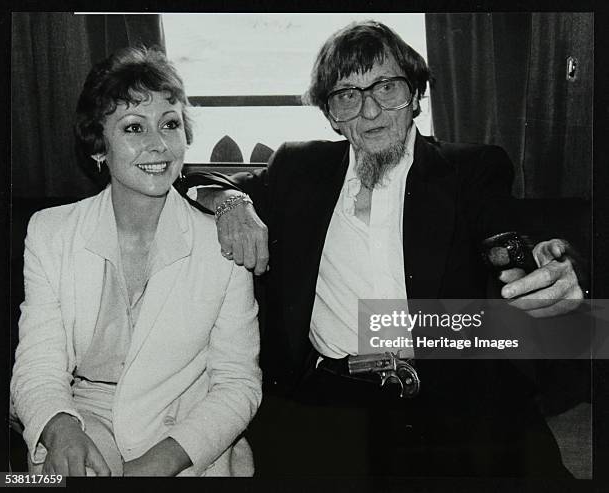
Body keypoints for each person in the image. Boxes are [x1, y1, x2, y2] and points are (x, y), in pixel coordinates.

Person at [189, 21, 583, 477]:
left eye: (387, 87)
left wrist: (556, 266)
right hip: (325, 400)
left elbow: (512, 239)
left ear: (415, 96)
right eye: (348, 95)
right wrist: (233, 203)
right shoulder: (299, 168)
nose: (371, 111)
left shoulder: (470, 169)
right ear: (332, 115)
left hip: (450, 395)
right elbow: (198, 183)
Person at [10, 46, 262, 477]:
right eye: (133, 127)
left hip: (183, 431)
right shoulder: (50, 233)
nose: (158, 144)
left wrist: (161, 461)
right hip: (82, 418)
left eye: (170, 124)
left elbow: (237, 384)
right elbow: (38, 363)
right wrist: (58, 426)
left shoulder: (223, 241)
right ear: (98, 147)